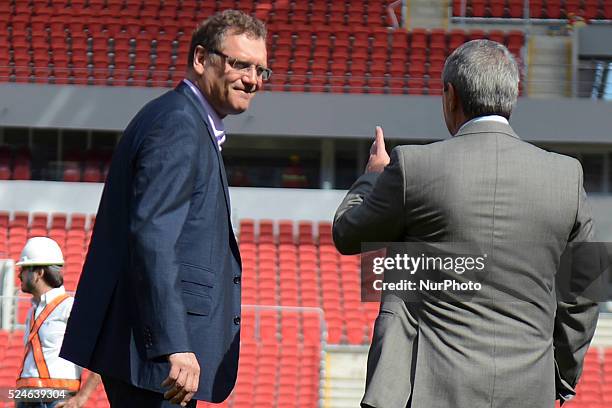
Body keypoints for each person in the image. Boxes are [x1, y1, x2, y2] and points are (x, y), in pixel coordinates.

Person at [333, 40, 600, 407]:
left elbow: (348, 234)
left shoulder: (414, 166)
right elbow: (585, 294)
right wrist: (559, 377)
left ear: (450, 95)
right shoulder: (568, 176)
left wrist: (372, 177)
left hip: (429, 390)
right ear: (512, 98)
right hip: (529, 390)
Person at [59, 10, 269, 408]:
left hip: (152, 358)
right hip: (158, 361)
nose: (252, 80)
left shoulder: (182, 120)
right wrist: (174, 343)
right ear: (201, 59)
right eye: (240, 64)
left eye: (261, 70)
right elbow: (153, 237)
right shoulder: (178, 125)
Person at [15, 237, 101, 408]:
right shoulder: (32, 311)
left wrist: (81, 398)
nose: (19, 275)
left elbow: (102, 352)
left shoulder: (70, 308)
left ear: (39, 273)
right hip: (25, 398)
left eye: (24, 269)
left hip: (56, 400)